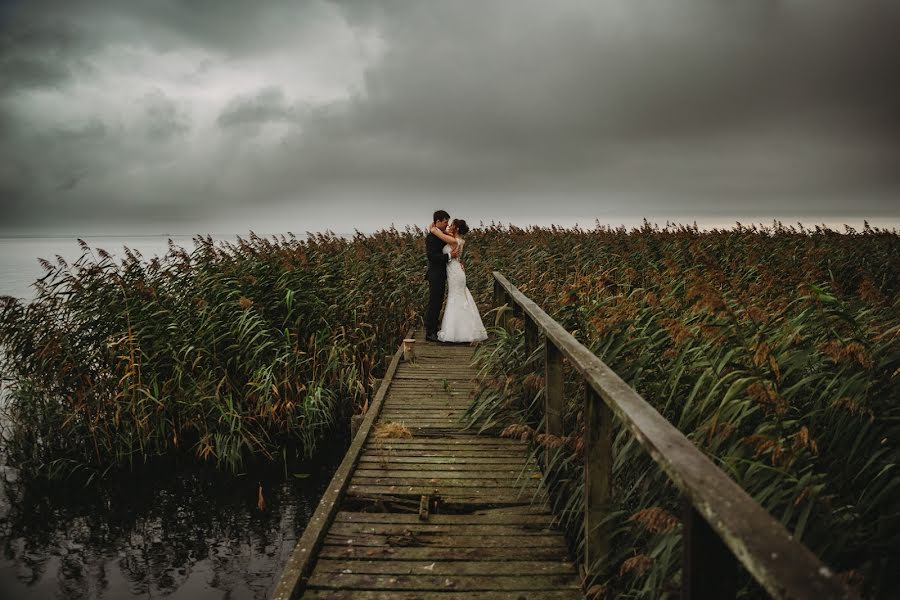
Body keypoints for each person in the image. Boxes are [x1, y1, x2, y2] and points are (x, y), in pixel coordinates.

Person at [427, 218, 488, 343]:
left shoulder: (454, 240)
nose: (449, 226)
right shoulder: (457, 239)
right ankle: (461, 329)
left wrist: (433, 228)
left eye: (452, 225)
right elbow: (444, 235)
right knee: (457, 298)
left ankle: (458, 331)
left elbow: (438, 234)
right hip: (455, 271)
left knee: (456, 298)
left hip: (455, 273)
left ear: (457, 228)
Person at [424, 210, 458, 342]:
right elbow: (432, 256)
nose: (446, 224)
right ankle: (430, 332)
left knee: (437, 302)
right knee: (434, 303)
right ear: (437, 221)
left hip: (440, 274)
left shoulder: (439, 234)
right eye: (445, 222)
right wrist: (450, 256)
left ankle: (433, 328)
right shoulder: (431, 237)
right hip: (435, 275)